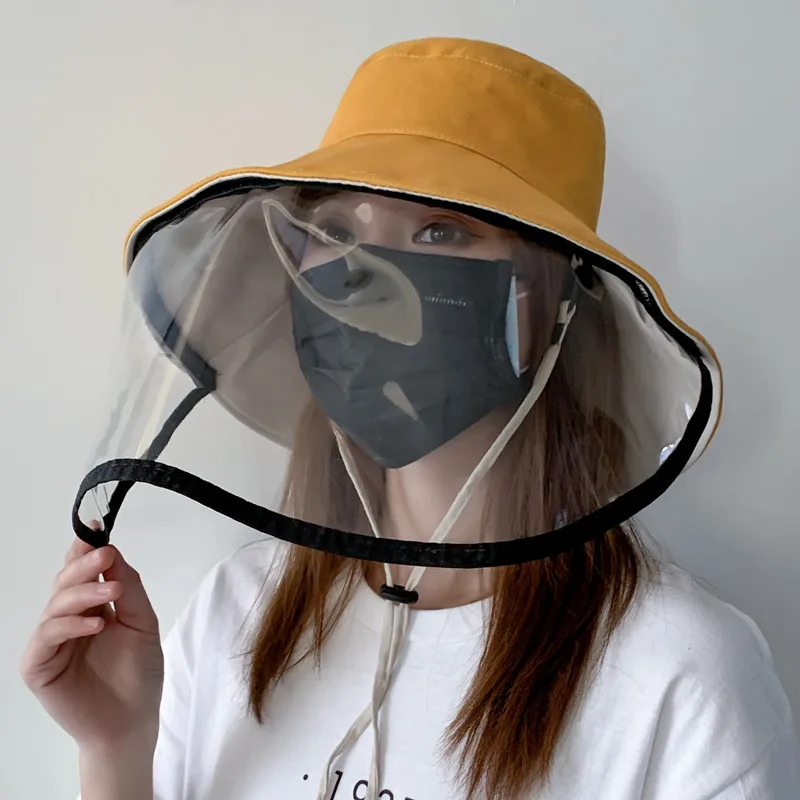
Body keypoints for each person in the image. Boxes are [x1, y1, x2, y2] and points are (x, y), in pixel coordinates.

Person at [21, 37, 800, 800]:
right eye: (336, 231)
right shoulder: (238, 611)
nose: (364, 276)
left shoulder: (677, 675)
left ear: (550, 303)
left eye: (441, 230)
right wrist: (115, 749)